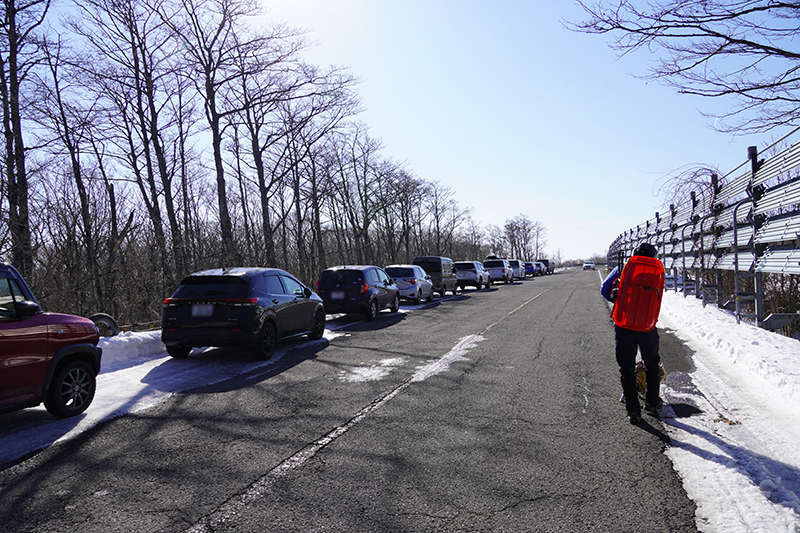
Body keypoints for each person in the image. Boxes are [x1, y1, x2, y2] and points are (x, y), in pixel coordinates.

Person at [601, 242, 664, 424]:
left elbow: (604, 290)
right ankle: (651, 403)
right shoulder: (656, 270)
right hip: (647, 324)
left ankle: (633, 411)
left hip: (624, 323)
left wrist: (620, 300)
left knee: (627, 368)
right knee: (652, 364)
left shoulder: (624, 267)